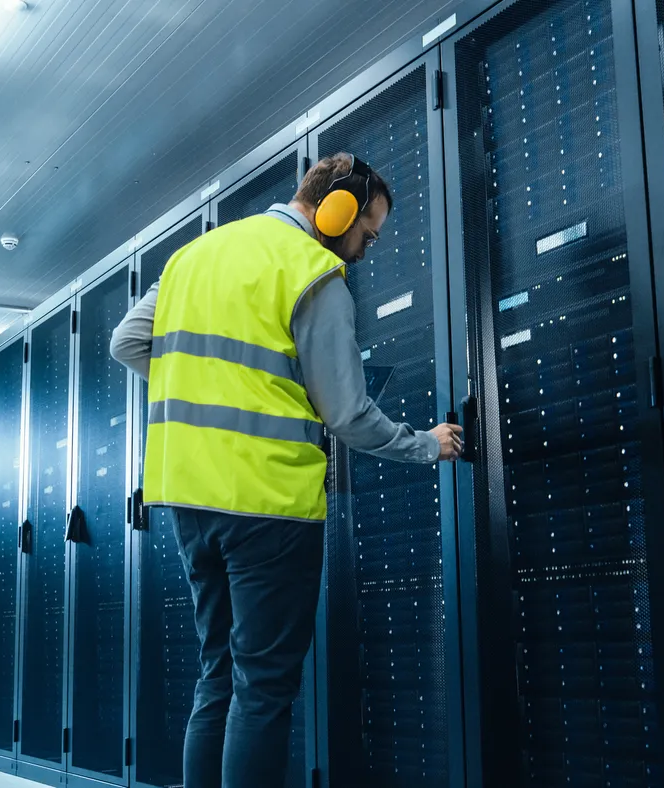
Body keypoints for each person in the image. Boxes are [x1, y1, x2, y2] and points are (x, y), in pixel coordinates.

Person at [109, 152, 463, 788]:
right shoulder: (313, 271)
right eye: (367, 232)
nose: (364, 249)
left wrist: (210, 387)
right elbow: (349, 415)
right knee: (263, 691)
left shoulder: (195, 256)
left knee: (217, 675)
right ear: (337, 210)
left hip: (190, 500)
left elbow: (128, 342)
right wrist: (426, 444)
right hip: (269, 504)